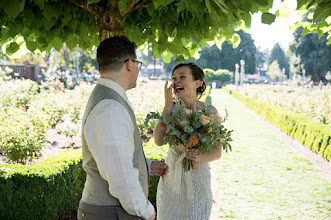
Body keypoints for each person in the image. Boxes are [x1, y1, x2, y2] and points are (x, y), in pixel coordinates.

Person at [77, 36, 169, 220]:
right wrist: (148, 212)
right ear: (129, 64)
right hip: (112, 212)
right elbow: (120, 177)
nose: (138, 70)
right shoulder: (110, 108)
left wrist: (147, 165)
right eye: (138, 64)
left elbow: (116, 156)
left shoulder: (109, 101)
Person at [154, 63, 223, 219]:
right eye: (174, 78)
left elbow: (217, 152)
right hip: (170, 183)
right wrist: (167, 106)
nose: (176, 81)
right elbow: (158, 141)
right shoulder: (170, 110)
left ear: (197, 83)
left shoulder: (210, 112)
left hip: (198, 182)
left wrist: (198, 156)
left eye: (182, 77)